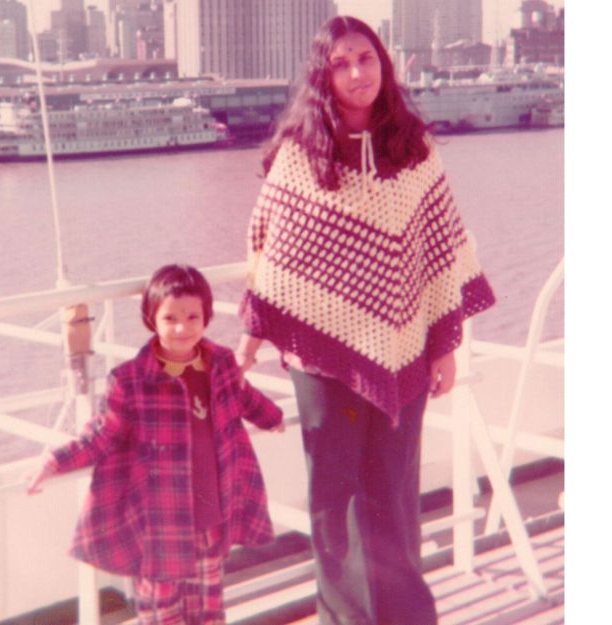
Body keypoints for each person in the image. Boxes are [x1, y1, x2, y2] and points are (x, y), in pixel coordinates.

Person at [235, 16, 496, 625]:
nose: (357, 73)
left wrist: (443, 345)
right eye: (342, 63)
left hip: (404, 347)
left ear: (384, 65)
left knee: (393, 493)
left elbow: (440, 250)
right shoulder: (299, 155)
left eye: (366, 59)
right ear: (324, 77)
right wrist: (252, 335)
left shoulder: (415, 149)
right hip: (319, 358)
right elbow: (269, 249)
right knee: (334, 500)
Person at [28, 264, 285, 625]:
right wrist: (54, 461)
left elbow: (241, 397)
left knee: (209, 612)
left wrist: (272, 418)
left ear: (207, 316)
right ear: (152, 319)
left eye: (193, 316)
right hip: (158, 528)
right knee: (162, 617)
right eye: (170, 318)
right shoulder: (131, 381)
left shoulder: (222, 364)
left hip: (212, 517)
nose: (182, 328)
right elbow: (102, 433)